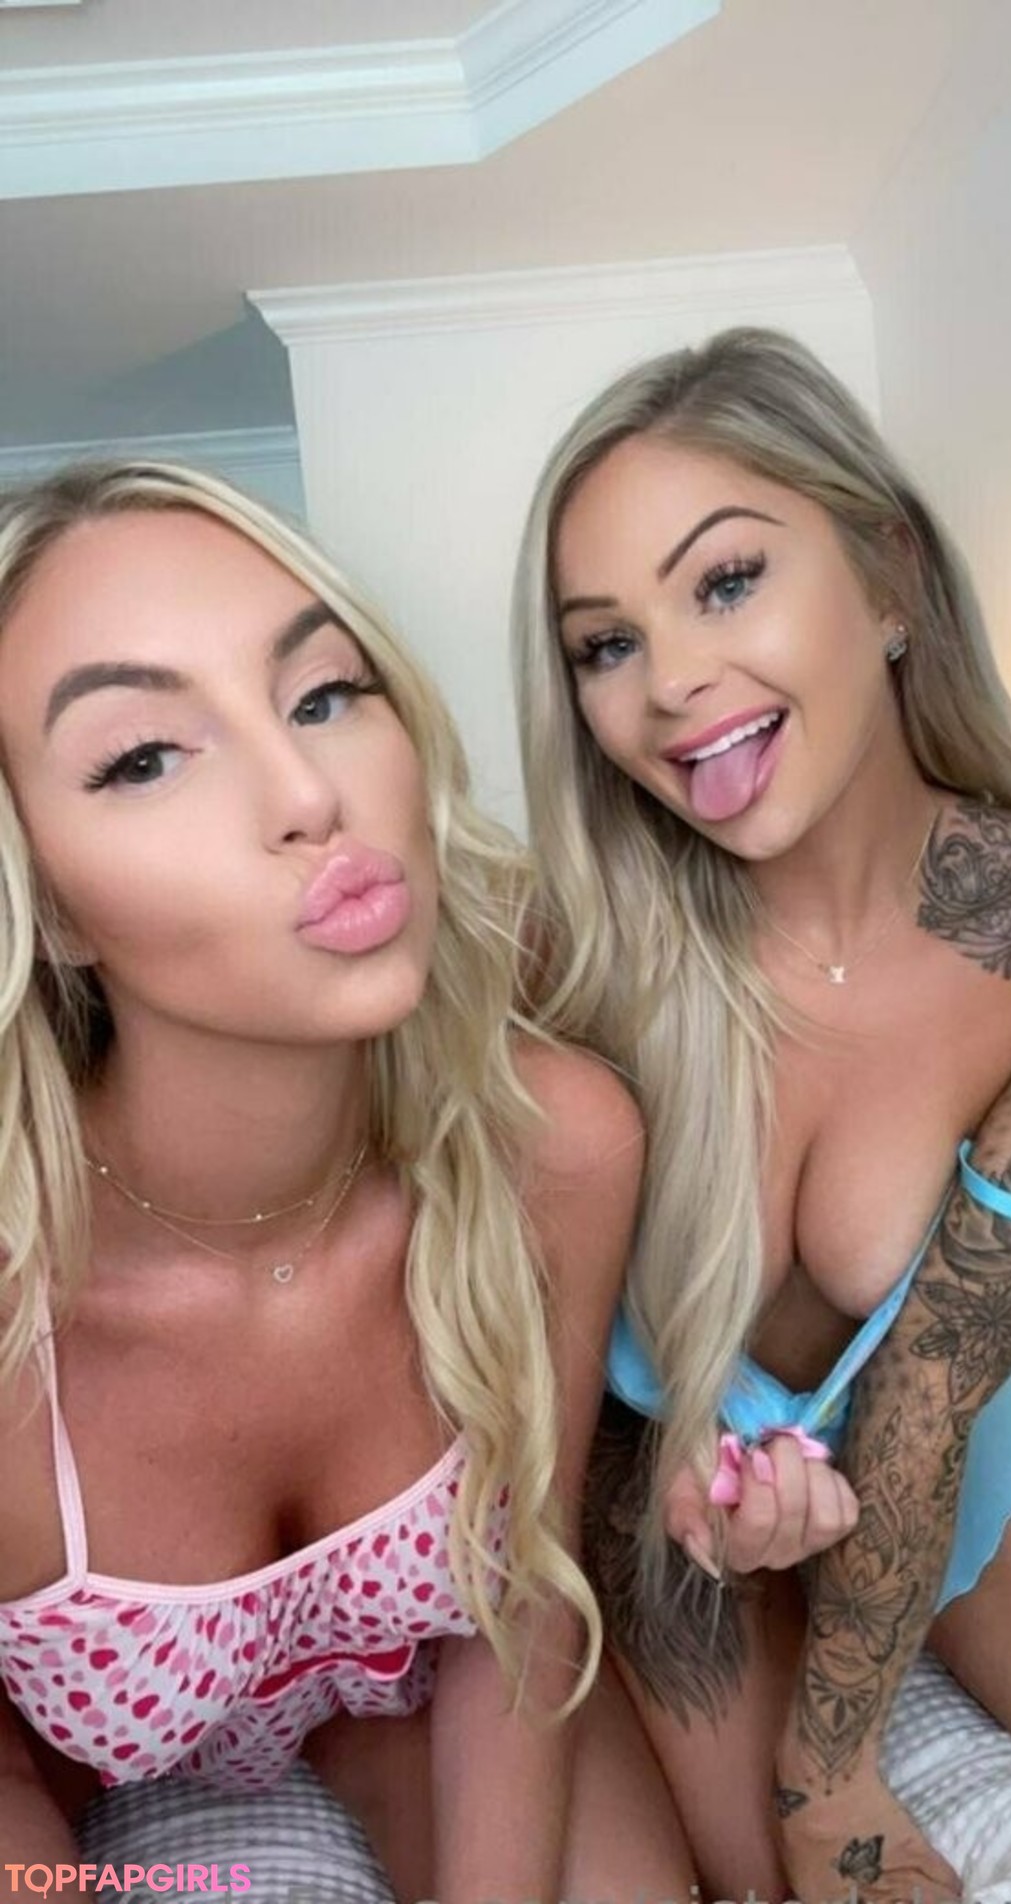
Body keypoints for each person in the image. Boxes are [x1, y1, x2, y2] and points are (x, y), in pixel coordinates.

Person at [0, 461, 695, 1901]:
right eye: (144, 758)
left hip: (407, 1696)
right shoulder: (19, 1305)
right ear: (46, 900)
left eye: (322, 694)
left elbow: (524, 1597)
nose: (310, 794)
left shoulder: (553, 1146)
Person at [511, 326, 1011, 1903]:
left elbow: (928, 1396)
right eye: (603, 644)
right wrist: (669, 1477)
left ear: (891, 578)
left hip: (961, 1457)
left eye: (726, 581)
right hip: (674, 1523)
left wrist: (834, 1778)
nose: (670, 685)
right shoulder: (570, 960)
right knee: (751, 1887)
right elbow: (532, 1367)